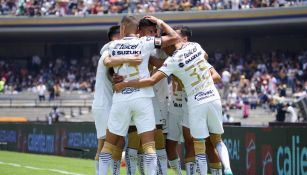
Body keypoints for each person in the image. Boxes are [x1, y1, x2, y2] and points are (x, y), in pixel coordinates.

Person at [114, 36, 232, 175]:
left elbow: (216, 75)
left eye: (168, 42)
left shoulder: (176, 60)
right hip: (183, 106)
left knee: (201, 144)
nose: (164, 46)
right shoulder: (195, 51)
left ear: (182, 39)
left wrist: (127, 82)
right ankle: (225, 169)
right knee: (173, 146)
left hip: (193, 104)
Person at [99, 15, 180, 175]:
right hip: (142, 98)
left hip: (120, 98)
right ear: (138, 30)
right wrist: (161, 22)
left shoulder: (112, 45)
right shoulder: (145, 43)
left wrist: (121, 63)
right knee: (149, 145)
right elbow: (174, 37)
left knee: (109, 144)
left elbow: (106, 62)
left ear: (122, 29)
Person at [92, 25, 130, 175]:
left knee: (118, 141)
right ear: (116, 37)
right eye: (123, 36)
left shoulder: (110, 51)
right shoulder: (109, 52)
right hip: (104, 105)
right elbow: (111, 74)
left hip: (107, 104)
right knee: (105, 143)